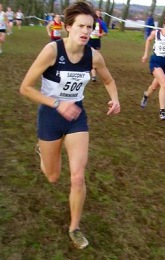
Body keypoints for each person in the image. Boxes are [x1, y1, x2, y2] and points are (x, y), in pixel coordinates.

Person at [20, 1, 120, 249]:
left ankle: (74, 227)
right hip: (51, 116)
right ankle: (43, 150)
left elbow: (108, 79)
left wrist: (115, 98)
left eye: (90, 27)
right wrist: (56, 103)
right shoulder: (52, 51)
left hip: (77, 116)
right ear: (68, 27)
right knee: (53, 176)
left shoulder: (93, 56)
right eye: (81, 26)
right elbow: (25, 88)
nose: (86, 32)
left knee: (77, 177)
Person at [87, 8, 108, 82]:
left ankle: (96, 71)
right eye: (96, 13)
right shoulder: (90, 21)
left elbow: (106, 32)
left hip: (97, 41)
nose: (97, 15)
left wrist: (100, 34)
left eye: (99, 13)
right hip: (89, 40)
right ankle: (93, 75)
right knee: (90, 57)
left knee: (96, 57)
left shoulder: (101, 22)